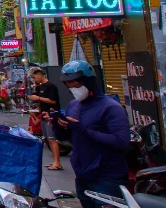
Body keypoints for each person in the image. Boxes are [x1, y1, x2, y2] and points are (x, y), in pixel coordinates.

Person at [55, 60, 130, 208]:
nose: (73, 88)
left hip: (107, 178)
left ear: (88, 81)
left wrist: (82, 129)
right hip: (82, 177)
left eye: (76, 84)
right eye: (69, 85)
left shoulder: (111, 108)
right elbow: (69, 138)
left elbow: (121, 142)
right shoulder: (73, 106)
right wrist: (58, 125)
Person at [27, 67, 62, 171]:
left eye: (34, 77)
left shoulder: (51, 86)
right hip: (43, 115)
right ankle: (55, 161)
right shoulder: (40, 87)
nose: (34, 80)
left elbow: (53, 101)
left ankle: (57, 162)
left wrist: (38, 98)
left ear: (40, 75)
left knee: (52, 139)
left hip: (50, 115)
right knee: (48, 138)